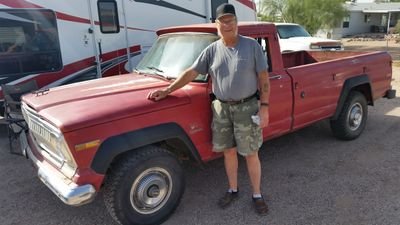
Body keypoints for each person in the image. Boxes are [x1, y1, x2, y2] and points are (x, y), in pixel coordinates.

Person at [147, 3, 270, 215]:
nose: (228, 24)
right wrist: (167, 90)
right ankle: (233, 190)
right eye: (223, 21)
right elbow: (191, 72)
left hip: (247, 107)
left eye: (231, 20)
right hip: (221, 109)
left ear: (236, 22)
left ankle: (257, 194)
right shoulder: (211, 50)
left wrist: (265, 107)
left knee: (251, 153)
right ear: (217, 24)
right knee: (229, 153)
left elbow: (264, 79)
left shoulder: (251, 46)